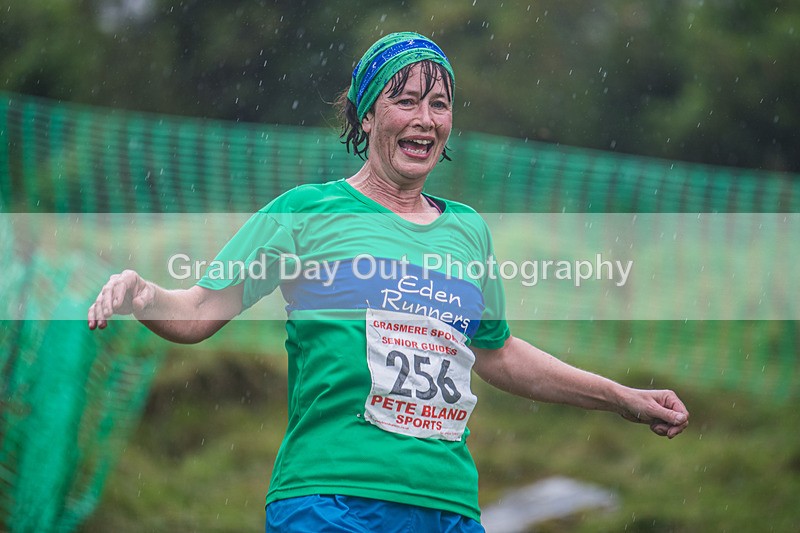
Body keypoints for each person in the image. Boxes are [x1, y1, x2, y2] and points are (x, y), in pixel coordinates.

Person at [88, 31, 689, 533]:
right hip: (328, 500)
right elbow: (197, 312)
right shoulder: (306, 213)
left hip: (445, 505)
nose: (424, 120)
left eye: (439, 104)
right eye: (404, 101)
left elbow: (498, 352)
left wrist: (622, 398)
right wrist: (143, 295)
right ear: (367, 112)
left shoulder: (468, 232)